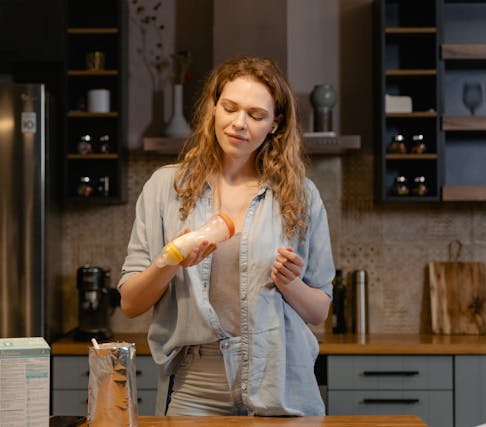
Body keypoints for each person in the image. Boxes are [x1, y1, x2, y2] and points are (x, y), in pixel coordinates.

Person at [118, 55, 335, 416]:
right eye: (229, 108)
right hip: (195, 388)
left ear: (275, 125)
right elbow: (130, 303)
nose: (239, 124)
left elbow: (319, 311)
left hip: (280, 382)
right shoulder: (165, 188)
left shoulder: (300, 195)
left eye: (256, 115)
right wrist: (171, 258)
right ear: (213, 109)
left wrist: (290, 283)